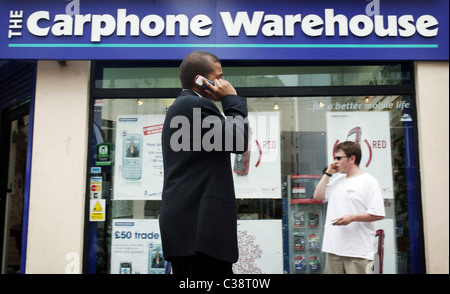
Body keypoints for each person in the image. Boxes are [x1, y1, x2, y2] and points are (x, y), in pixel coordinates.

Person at [159, 51, 249, 274]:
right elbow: (239, 140)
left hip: (192, 230)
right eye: (218, 77)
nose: (224, 83)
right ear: (201, 80)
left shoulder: (186, 106)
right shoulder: (193, 106)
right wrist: (231, 100)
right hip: (197, 231)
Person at [313, 141, 385, 274]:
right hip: (334, 248)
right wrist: (328, 174)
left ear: (352, 159)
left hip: (357, 251)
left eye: (339, 158)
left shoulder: (369, 182)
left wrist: (352, 217)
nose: (335, 162)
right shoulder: (338, 180)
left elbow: (378, 213)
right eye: (334, 158)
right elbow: (318, 196)